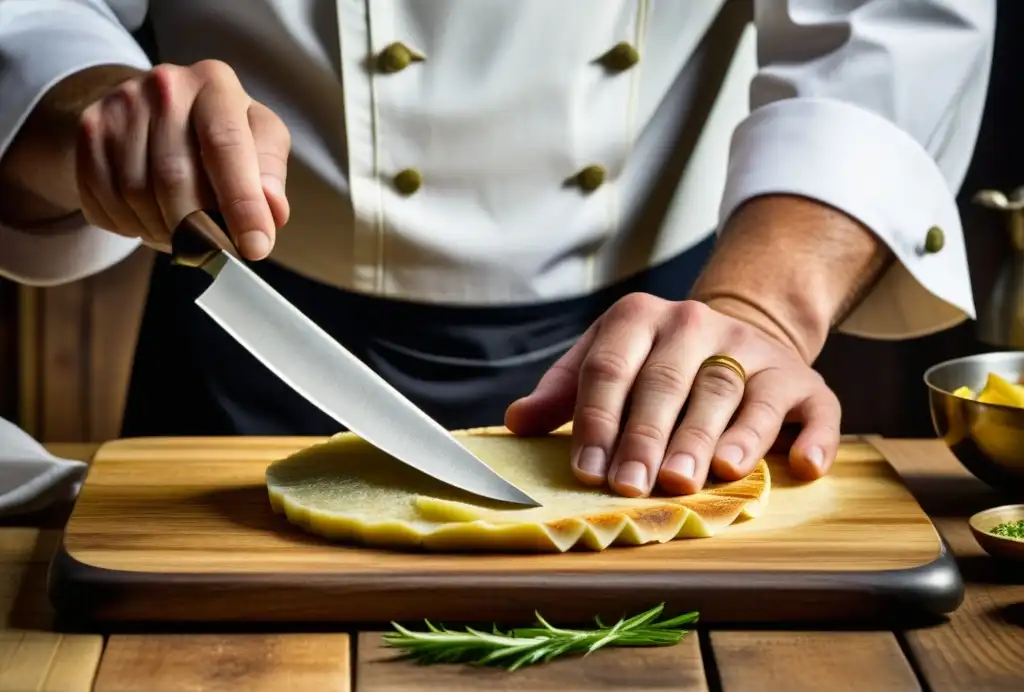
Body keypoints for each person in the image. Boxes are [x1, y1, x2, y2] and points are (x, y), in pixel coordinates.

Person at [0, 1, 995, 500]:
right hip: (252, 325)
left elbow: (892, 18)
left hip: (671, 349)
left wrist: (762, 311)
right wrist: (91, 113)